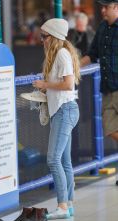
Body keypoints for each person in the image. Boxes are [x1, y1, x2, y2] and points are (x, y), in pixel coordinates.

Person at [32, 18, 80, 219]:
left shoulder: (61, 55)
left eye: (44, 36)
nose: (42, 40)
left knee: (53, 159)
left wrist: (44, 85)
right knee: (65, 162)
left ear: (54, 37)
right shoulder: (60, 55)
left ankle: (61, 205)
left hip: (64, 111)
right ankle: (68, 204)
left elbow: (68, 84)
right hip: (64, 110)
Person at [80, 0, 118, 185]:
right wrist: (74, 66)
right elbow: (92, 53)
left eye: (107, 7)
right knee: (110, 129)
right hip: (108, 88)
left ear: (116, 7)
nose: (102, 10)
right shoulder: (102, 27)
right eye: (102, 7)